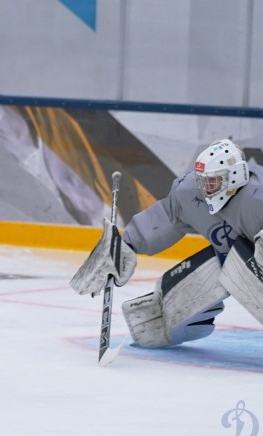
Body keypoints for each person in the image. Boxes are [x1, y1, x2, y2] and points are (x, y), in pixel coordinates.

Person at [71, 138, 263, 349]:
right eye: (202, 180)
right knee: (167, 312)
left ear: (235, 176)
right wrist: (122, 247)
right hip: (230, 257)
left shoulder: (256, 199)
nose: (205, 188)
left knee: (247, 262)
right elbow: (164, 217)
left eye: (213, 181)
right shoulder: (189, 193)